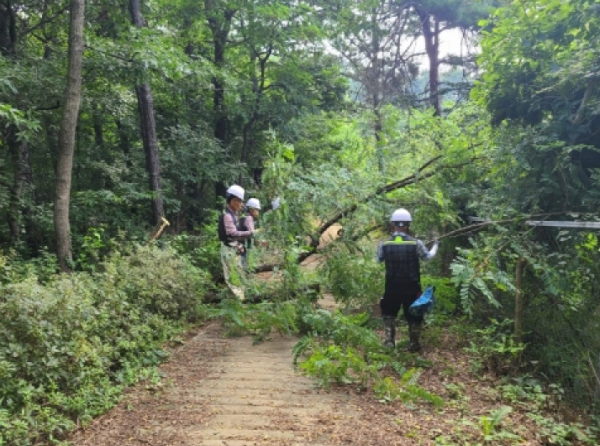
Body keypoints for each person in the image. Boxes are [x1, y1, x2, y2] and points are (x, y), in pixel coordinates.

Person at [377, 208, 439, 352]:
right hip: (412, 286)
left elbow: (379, 259)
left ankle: (389, 342)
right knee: (415, 313)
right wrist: (435, 246)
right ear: (408, 224)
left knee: (389, 312)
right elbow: (427, 257)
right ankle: (413, 344)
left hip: (391, 285)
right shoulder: (416, 243)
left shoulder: (384, 244)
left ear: (393, 224)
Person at [218, 184, 254, 299]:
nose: (241, 204)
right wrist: (249, 233)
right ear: (233, 201)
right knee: (232, 275)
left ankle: (237, 299)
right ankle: (236, 301)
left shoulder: (234, 215)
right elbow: (232, 233)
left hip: (233, 249)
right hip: (228, 249)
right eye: (239, 201)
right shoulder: (227, 216)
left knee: (237, 273)